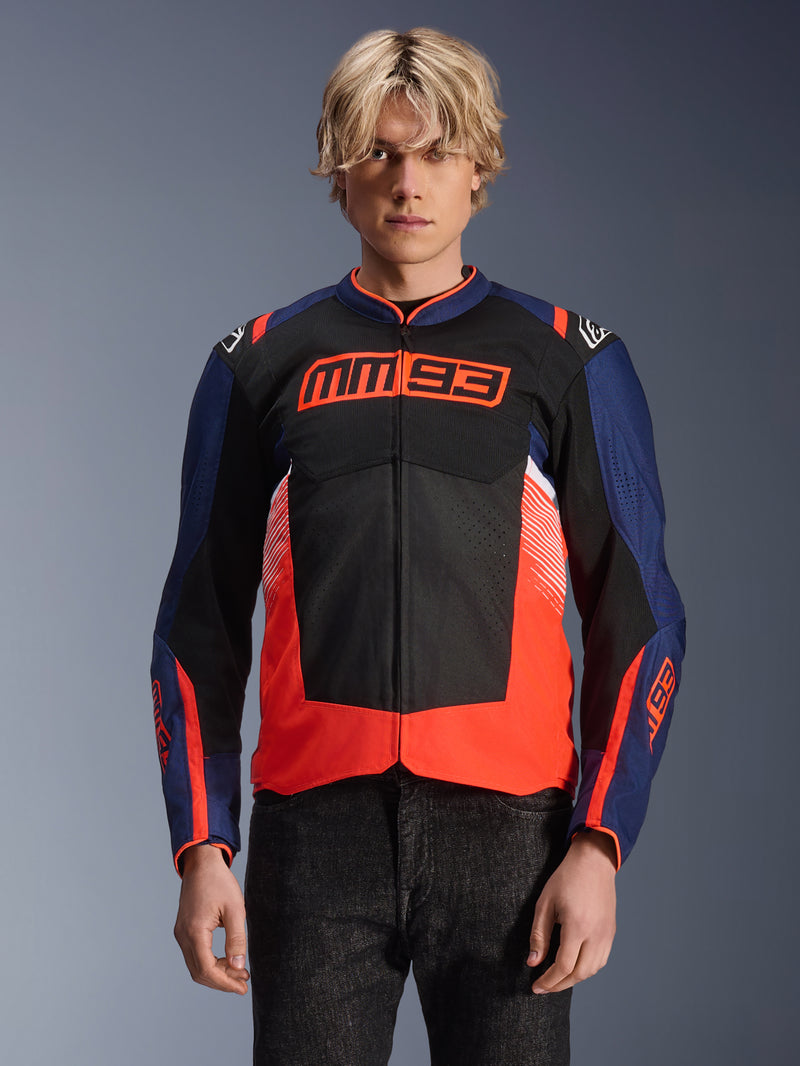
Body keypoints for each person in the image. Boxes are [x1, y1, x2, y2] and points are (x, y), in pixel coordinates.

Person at [151, 27, 685, 1066]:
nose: (408, 182)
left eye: (437, 152)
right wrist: (201, 844)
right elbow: (196, 622)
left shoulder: (566, 360)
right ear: (338, 170)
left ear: (480, 168)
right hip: (313, 836)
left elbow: (641, 616)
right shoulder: (258, 363)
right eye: (380, 152)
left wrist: (598, 841)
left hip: (513, 838)